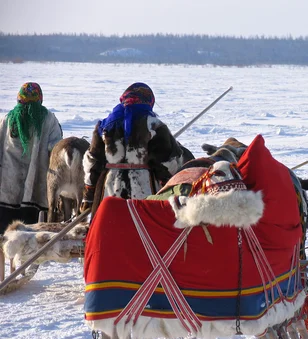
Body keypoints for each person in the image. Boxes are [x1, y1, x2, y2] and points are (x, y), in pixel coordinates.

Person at [81, 82, 186, 214]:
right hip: (144, 191)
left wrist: (89, 194)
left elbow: (92, 162)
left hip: (109, 190)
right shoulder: (154, 125)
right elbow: (167, 164)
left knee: (110, 228)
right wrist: (167, 188)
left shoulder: (105, 125)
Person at [0, 82, 63, 233]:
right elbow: (55, 150)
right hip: (35, 186)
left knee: (4, 234)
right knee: (29, 234)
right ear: (40, 98)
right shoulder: (48, 119)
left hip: (7, 187)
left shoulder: (8, 119)